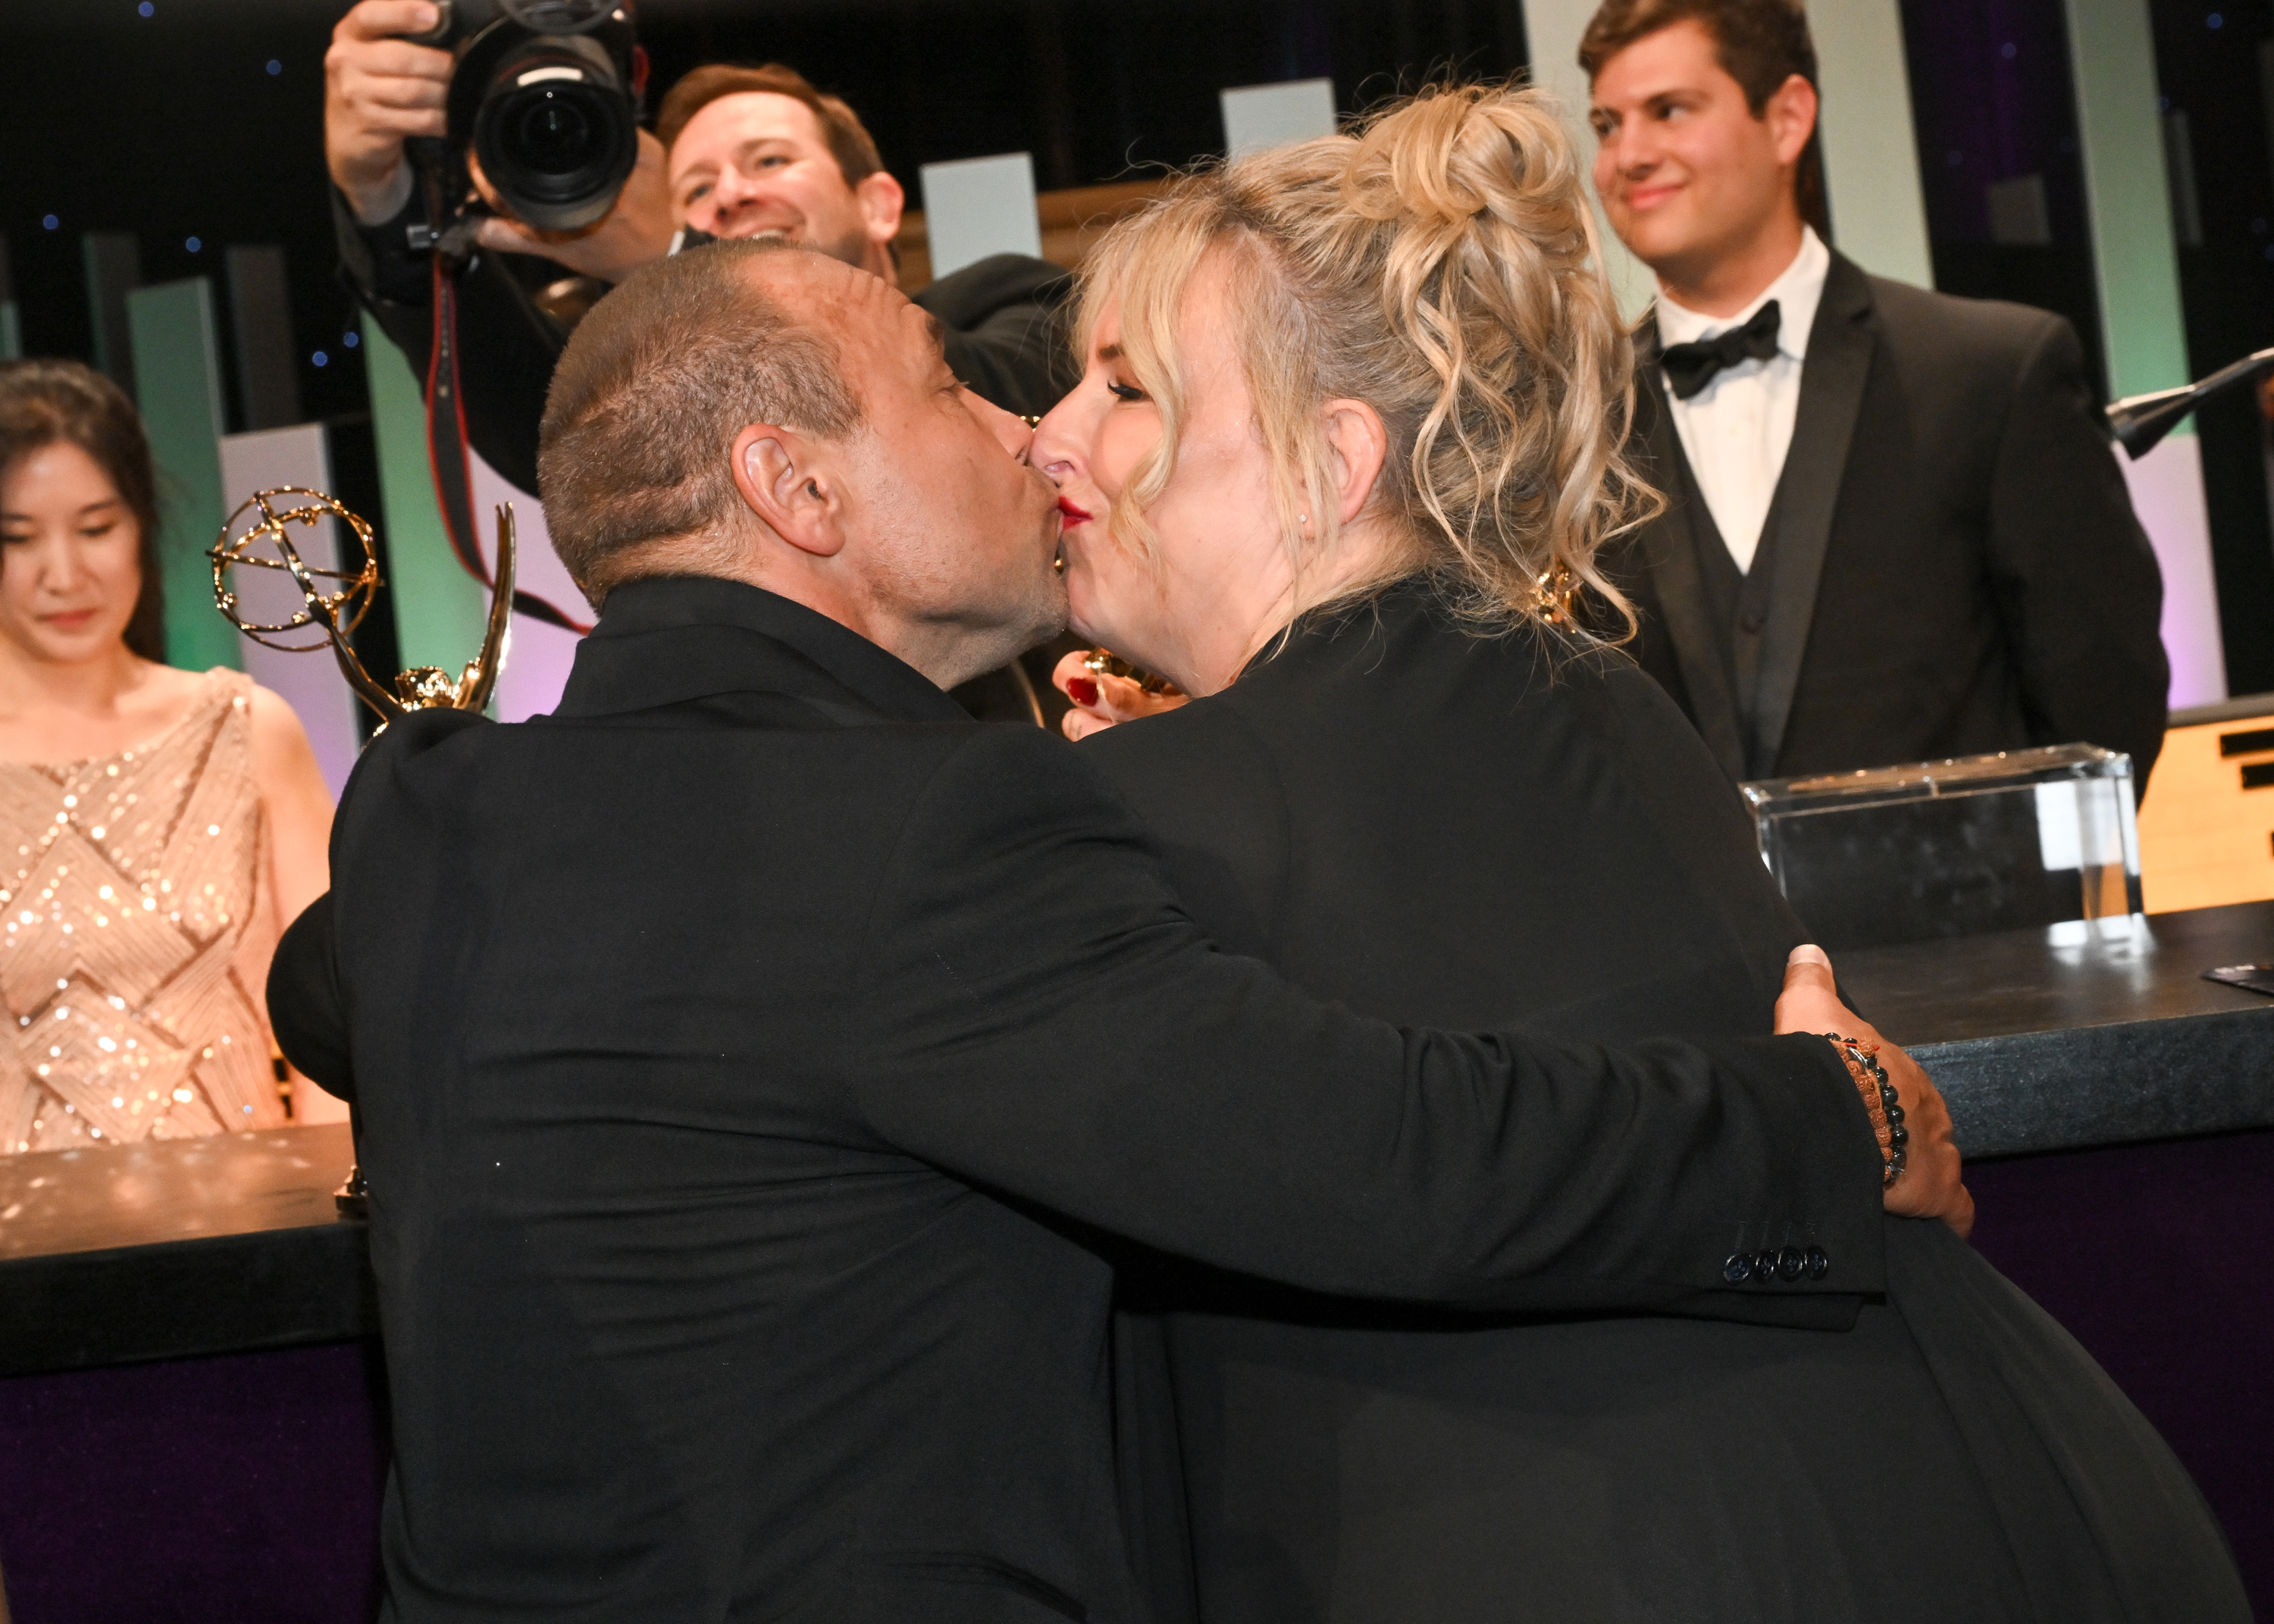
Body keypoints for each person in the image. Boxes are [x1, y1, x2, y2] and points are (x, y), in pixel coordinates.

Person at [262, 236, 1967, 1621]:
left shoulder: (426, 818)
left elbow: (314, 987)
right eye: (947, 384)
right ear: (798, 490)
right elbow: (1394, 1159)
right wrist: (1833, 1121)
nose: (1023, 430)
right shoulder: (921, 830)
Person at [1038, 83, 2245, 1624]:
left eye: (1126, 389)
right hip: (2019, 1498)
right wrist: (1854, 1112)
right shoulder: (1602, 697)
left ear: (1331, 462)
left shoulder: (1150, 811)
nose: (1054, 432)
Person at [324, 4, 1076, 721]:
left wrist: (677, 247)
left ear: (878, 202)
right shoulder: (678, 409)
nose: (732, 197)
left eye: (770, 159)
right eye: (694, 190)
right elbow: (530, 411)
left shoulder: (1008, 299)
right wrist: (391, 200)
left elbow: (1015, 403)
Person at [1568, 0, 2169, 789]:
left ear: (1787, 119)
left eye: (1670, 111)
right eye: (1608, 126)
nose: (1629, 156)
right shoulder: (1572, 425)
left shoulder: (1992, 373)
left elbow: (2107, 712)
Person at [0, 361, 342, 1153]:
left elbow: (336, 1030)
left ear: (141, 527)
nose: (64, 575)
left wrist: (323, 1208)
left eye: (96, 529)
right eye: (17, 538)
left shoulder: (247, 731)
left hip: (250, 1218)